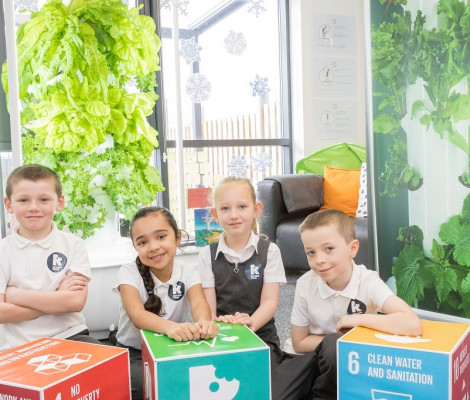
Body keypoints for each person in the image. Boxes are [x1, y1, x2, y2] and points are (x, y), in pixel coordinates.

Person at [277, 209, 423, 400]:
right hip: (302, 356)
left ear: (352, 249)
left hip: (345, 358)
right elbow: (299, 342)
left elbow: (412, 324)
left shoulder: (368, 281)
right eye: (311, 252)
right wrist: (333, 340)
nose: (319, 260)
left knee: (335, 348)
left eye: (329, 249)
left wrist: (357, 319)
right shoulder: (305, 283)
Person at [115, 206, 219, 400]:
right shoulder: (128, 272)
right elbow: (137, 315)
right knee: (142, 384)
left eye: (161, 237)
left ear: (177, 238)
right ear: (136, 247)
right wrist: (170, 327)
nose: (153, 246)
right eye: (143, 242)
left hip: (173, 347)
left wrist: (205, 323)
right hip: (133, 352)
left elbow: (198, 302)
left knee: (197, 379)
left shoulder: (188, 270)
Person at [0, 164, 99, 352]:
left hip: (71, 335)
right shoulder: (2, 251)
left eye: (44, 199)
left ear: (59, 203)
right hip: (16, 345)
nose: (34, 208)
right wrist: (55, 299)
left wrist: (15, 295)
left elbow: (74, 303)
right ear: (9, 204)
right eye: (23, 200)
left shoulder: (73, 245)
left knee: (114, 371)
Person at [198, 176, 286, 358]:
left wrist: (251, 322)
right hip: (221, 334)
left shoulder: (270, 251)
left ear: (256, 210)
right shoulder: (206, 254)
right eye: (225, 208)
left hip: (261, 334)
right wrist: (214, 321)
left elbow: (270, 302)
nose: (234, 215)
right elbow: (208, 307)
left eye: (242, 207)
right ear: (215, 214)